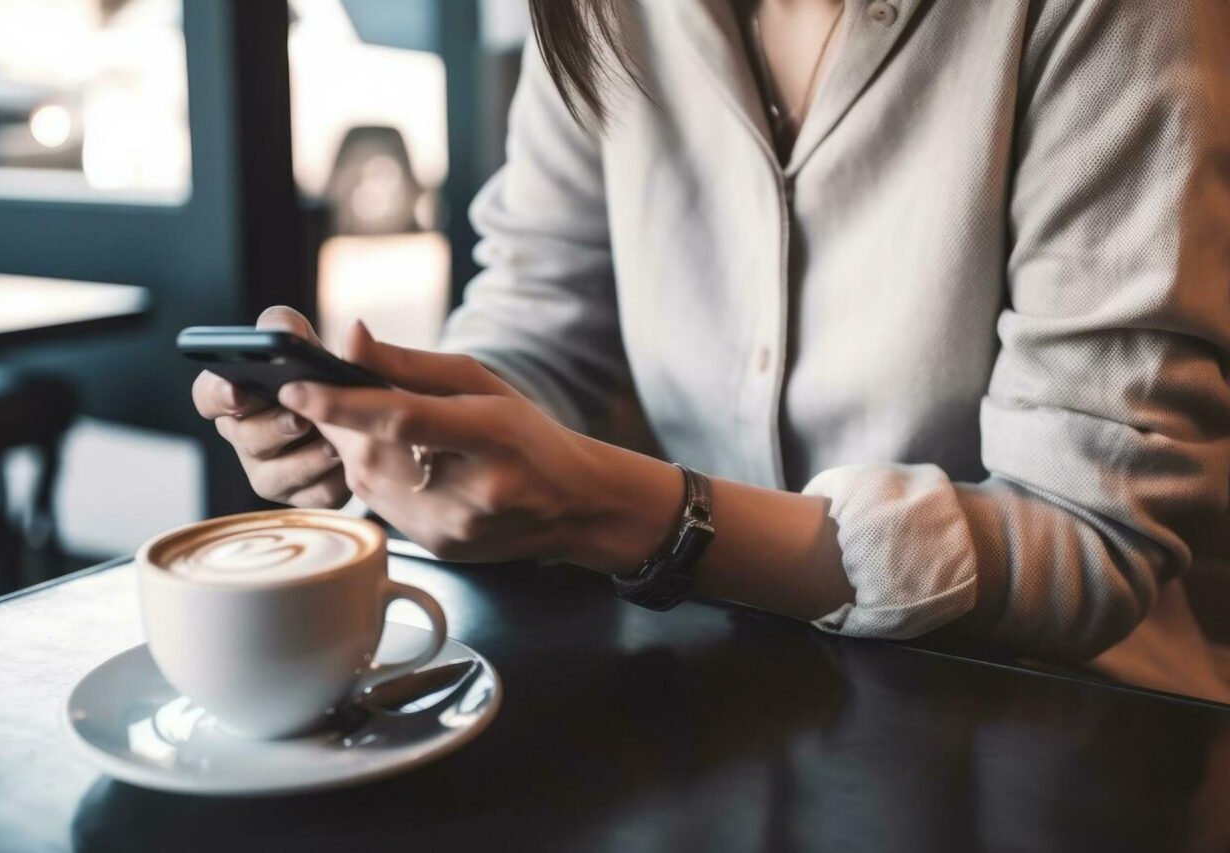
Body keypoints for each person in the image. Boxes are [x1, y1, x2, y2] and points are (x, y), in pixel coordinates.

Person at [193, 0, 1230, 702]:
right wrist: (399, 424)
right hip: (719, 698)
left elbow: (1093, 537)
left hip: (1068, 725)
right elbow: (541, 326)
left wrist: (638, 515)